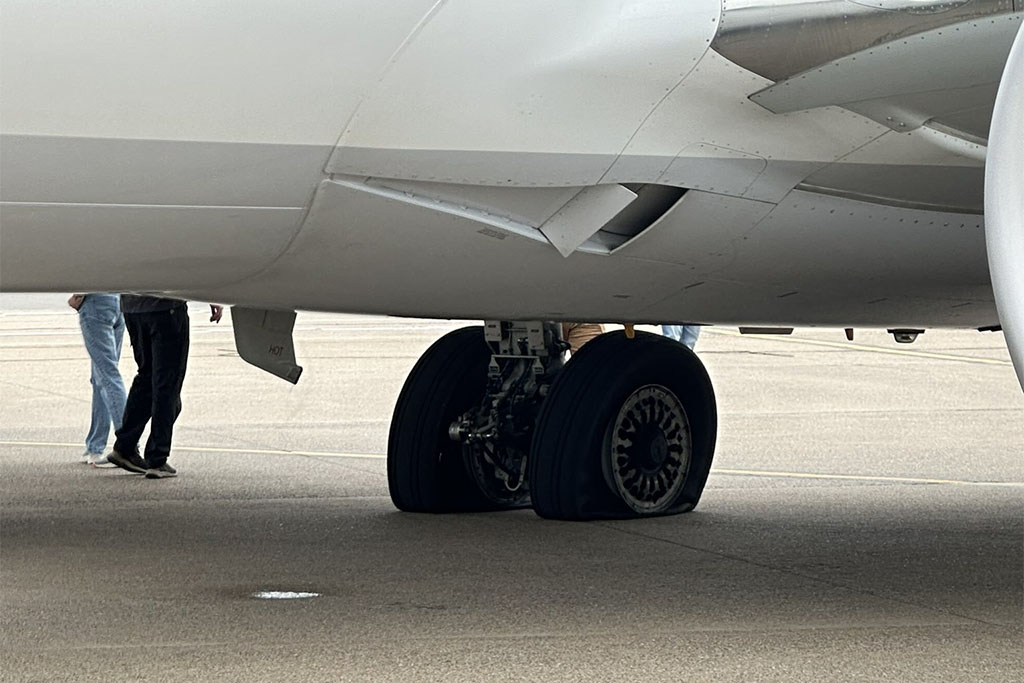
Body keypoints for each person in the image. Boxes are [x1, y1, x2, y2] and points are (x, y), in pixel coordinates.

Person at [107, 297, 222, 479]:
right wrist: (210, 295)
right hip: (165, 307)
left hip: (132, 308)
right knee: (167, 383)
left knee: (146, 377)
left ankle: (125, 445)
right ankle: (157, 457)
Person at [68, 293, 127, 466]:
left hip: (95, 302)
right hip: (116, 302)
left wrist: (78, 296)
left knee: (108, 377)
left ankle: (127, 444)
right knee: (101, 377)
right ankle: (95, 445)